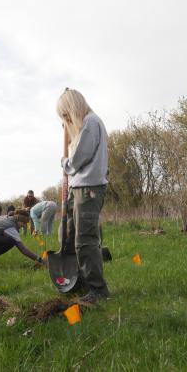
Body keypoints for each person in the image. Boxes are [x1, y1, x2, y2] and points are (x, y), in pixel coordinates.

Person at [57, 88, 110, 304]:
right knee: (68, 235)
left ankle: (98, 289)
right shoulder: (83, 127)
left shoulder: (90, 123)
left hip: (88, 190)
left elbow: (77, 160)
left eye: (66, 114)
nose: (66, 119)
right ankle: (79, 280)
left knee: (85, 240)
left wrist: (64, 163)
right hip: (77, 189)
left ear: (72, 108)